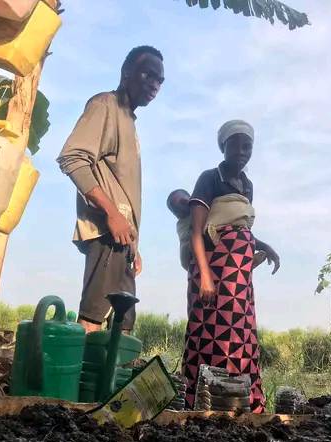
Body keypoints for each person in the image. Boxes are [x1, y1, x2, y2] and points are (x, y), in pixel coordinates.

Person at [57, 46, 164, 332]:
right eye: (148, 74)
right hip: (108, 232)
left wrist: (134, 244)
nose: (154, 84)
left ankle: (111, 377)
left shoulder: (129, 120)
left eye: (160, 80)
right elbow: (73, 158)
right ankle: (79, 376)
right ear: (126, 72)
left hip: (123, 240)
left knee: (123, 323)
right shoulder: (106, 106)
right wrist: (113, 215)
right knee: (94, 316)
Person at [181, 120, 280, 413]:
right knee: (210, 332)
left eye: (247, 145)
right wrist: (207, 278)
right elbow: (199, 230)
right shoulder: (210, 178)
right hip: (214, 267)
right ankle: (201, 401)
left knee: (241, 332)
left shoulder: (247, 185)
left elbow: (239, 226)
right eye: (235, 144)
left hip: (239, 274)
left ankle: (240, 402)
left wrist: (263, 244)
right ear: (223, 147)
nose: (242, 151)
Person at [167, 188, 271, 272]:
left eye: (183, 201)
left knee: (226, 236)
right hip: (191, 255)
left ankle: (245, 262)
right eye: (175, 209)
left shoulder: (208, 210)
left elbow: (234, 225)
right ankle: (244, 263)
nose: (181, 207)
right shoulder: (183, 223)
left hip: (215, 251)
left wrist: (265, 247)